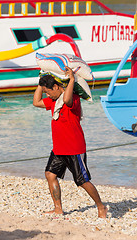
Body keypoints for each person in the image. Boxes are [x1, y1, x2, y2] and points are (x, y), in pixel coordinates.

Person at [33, 67, 107, 218]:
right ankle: (58, 208)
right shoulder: (53, 102)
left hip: (74, 148)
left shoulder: (73, 99)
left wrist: (72, 79)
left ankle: (101, 207)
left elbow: (66, 99)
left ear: (56, 87)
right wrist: (41, 83)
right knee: (50, 174)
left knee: (82, 181)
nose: (47, 94)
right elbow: (36, 102)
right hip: (58, 149)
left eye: (48, 91)